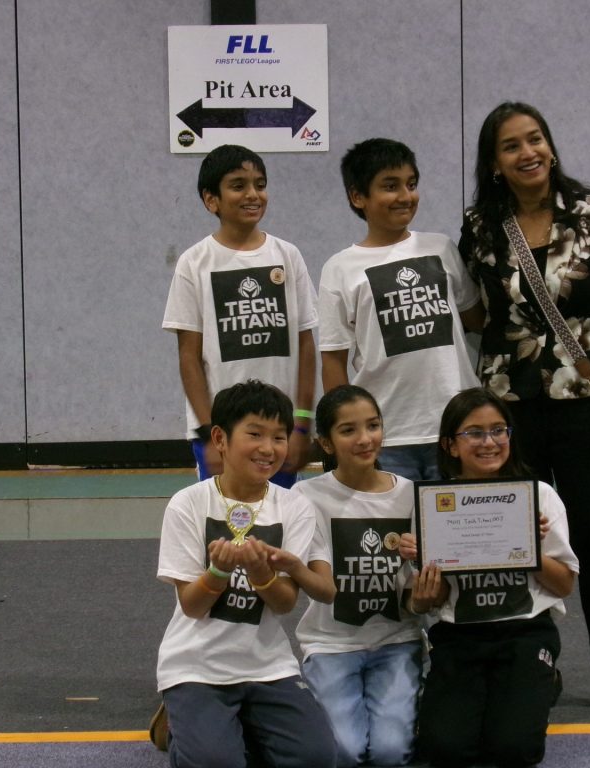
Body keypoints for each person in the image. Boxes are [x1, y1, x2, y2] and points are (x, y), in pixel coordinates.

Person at [459, 101, 590, 714]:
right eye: (511, 146)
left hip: (584, 402)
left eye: (535, 139)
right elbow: (476, 313)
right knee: (512, 539)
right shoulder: (480, 226)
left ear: (550, 144)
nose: (528, 153)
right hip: (508, 409)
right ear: (494, 163)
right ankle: (530, 663)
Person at [149, 380, 336, 768]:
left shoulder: (295, 508)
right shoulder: (188, 504)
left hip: (267, 665)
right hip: (196, 666)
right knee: (216, 762)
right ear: (220, 438)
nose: (268, 448)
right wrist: (218, 571)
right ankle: (180, 726)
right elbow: (192, 606)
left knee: (316, 758)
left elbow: (284, 604)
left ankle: (229, 727)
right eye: (255, 434)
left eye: (279, 437)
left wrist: (260, 573)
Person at [399, 388, 578, 767]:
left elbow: (564, 584)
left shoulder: (539, 497)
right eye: (474, 433)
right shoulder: (434, 505)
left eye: (499, 430)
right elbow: (433, 600)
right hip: (460, 636)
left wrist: (527, 546)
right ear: (450, 445)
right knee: (444, 749)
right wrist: (425, 591)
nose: (489, 442)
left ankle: (543, 677)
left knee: (514, 749)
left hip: (525, 633)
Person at [318, 138, 484, 481]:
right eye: (390, 186)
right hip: (384, 435)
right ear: (358, 197)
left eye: (411, 184)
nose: (406, 196)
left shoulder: (441, 248)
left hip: (454, 428)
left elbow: (477, 320)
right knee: (395, 519)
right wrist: (345, 430)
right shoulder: (340, 267)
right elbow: (333, 360)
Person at [282, 385, 421, 767]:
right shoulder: (306, 496)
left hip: (398, 642)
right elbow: (319, 584)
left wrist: (423, 588)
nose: (364, 439)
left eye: (373, 426)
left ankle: (416, 697)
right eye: (348, 430)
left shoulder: (411, 494)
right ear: (326, 443)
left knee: (390, 753)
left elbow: (416, 595)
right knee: (344, 751)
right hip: (331, 645)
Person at [163, 144, 317, 488]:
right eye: (238, 186)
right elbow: (189, 357)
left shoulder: (288, 256)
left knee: (278, 518)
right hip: (222, 432)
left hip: (281, 429)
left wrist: (302, 424)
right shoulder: (194, 262)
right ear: (211, 200)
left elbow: (306, 345)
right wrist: (210, 433)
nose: (253, 194)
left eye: (260, 185)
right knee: (226, 520)